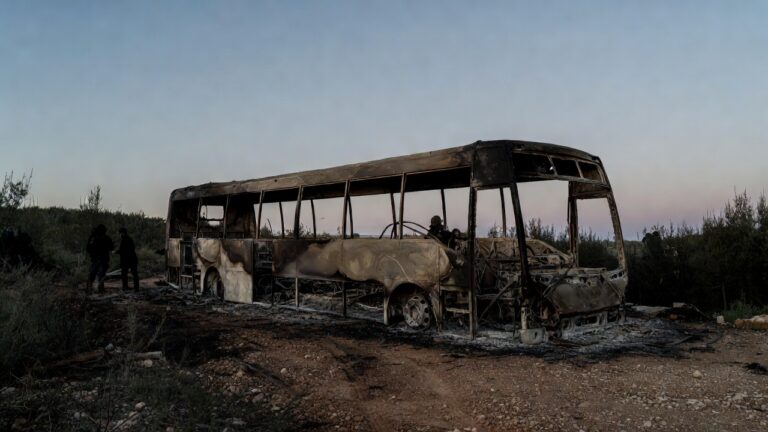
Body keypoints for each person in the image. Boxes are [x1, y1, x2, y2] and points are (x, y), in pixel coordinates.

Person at [86, 224, 113, 294]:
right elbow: (111, 247)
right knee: (100, 275)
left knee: (93, 274)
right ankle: (100, 289)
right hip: (103, 259)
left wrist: (92, 254)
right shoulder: (106, 238)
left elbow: (88, 248)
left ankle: (89, 289)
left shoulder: (93, 237)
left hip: (96, 259)